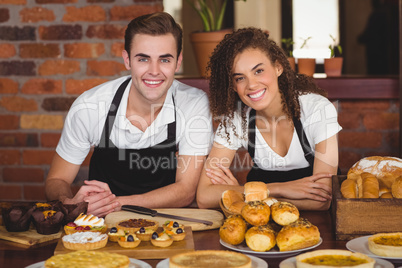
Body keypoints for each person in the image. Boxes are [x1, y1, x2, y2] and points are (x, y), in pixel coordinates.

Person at [45, 12, 213, 217]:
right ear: (127, 60)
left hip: (166, 225)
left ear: (177, 62)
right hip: (102, 226)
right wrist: (69, 203)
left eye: (165, 60)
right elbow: (57, 180)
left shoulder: (192, 104)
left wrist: (115, 203)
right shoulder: (90, 106)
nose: (154, 71)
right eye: (143, 59)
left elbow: (186, 191)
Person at [196, 28, 341, 211]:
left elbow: (321, 200)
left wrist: (243, 195)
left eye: (258, 71)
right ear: (233, 86)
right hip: (260, 227)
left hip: (316, 231)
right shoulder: (237, 120)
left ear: (278, 67)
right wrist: (279, 189)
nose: (252, 85)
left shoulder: (317, 109)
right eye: (240, 78)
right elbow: (204, 196)